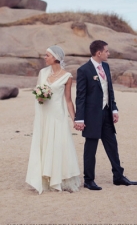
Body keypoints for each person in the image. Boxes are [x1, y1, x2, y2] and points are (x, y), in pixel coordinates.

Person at [74, 40, 137, 190]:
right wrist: (80, 118)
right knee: (91, 148)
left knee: (112, 145)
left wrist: (114, 109)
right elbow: (81, 97)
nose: (108, 53)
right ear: (99, 53)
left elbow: (109, 91)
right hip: (91, 116)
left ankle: (118, 176)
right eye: (107, 51)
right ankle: (89, 180)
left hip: (107, 113)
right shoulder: (84, 70)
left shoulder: (106, 66)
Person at [26, 45, 80, 194]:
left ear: (56, 58)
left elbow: (68, 100)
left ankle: (59, 179)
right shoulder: (42, 73)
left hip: (57, 115)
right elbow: (38, 91)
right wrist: (40, 96)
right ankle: (43, 178)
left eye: (47, 55)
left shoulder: (67, 76)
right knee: (43, 143)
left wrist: (75, 119)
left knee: (58, 144)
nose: (45, 57)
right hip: (43, 114)